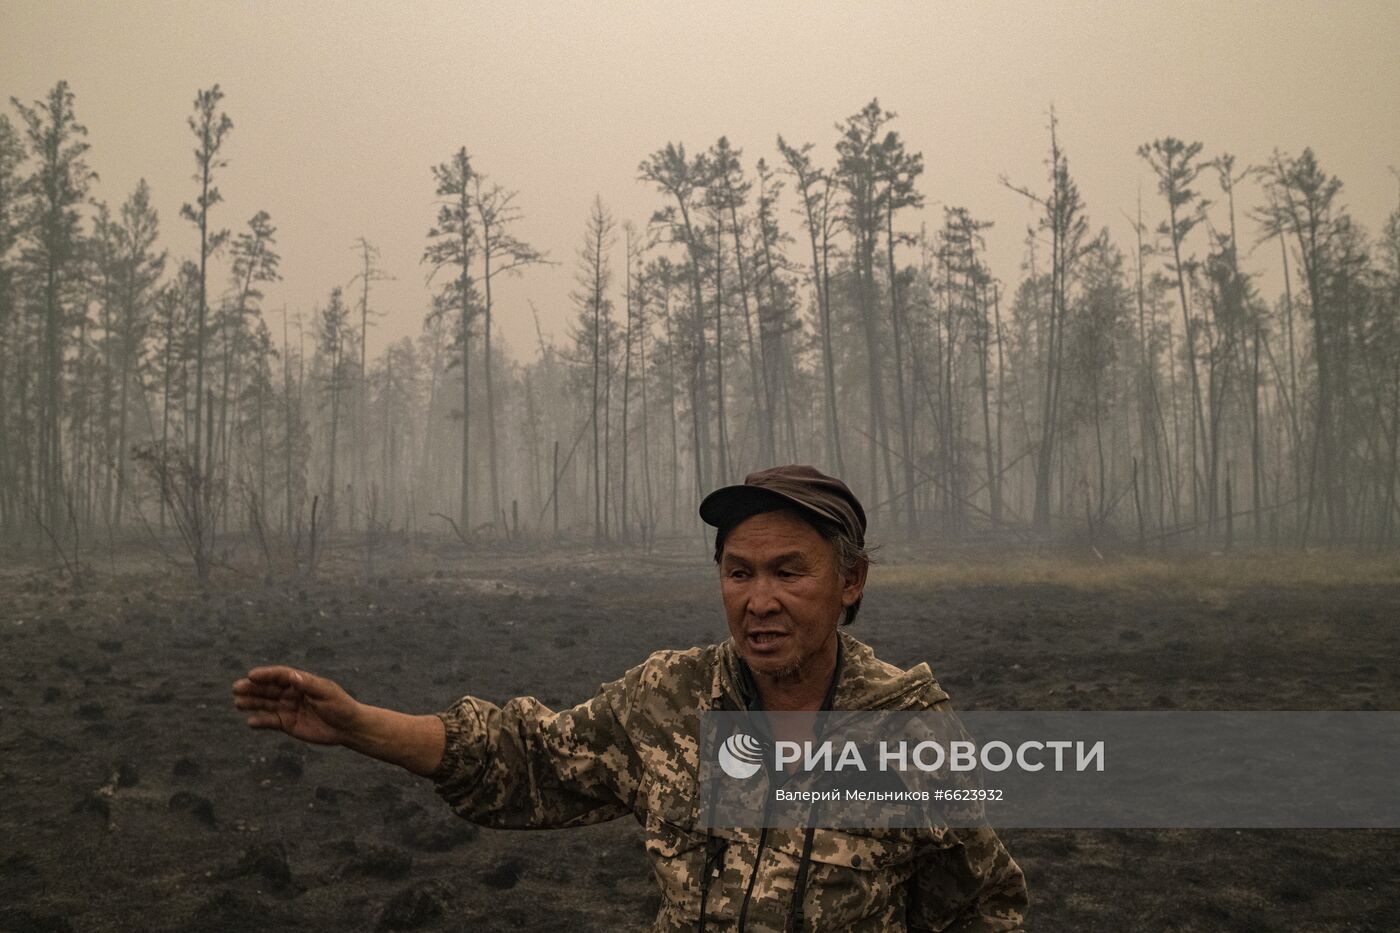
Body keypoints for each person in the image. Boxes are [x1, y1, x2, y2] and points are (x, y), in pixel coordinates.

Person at [232, 465, 1028, 931]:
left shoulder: (908, 731)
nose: (759, 600)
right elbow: (527, 759)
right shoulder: (670, 699)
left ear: (850, 581)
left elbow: (983, 905)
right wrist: (357, 724)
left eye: (790, 571)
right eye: (738, 571)